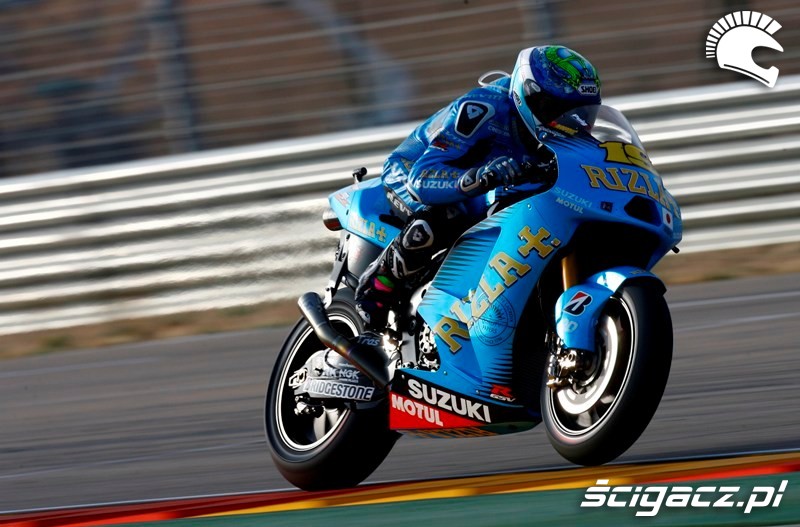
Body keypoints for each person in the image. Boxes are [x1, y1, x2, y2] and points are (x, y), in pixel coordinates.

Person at [355, 45, 602, 329]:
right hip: (414, 171)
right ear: (529, 94)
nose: (571, 124)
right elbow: (421, 179)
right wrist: (481, 177)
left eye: (582, 115)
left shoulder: (565, 136)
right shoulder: (484, 108)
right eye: (558, 111)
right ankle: (373, 296)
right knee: (445, 215)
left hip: (494, 183)